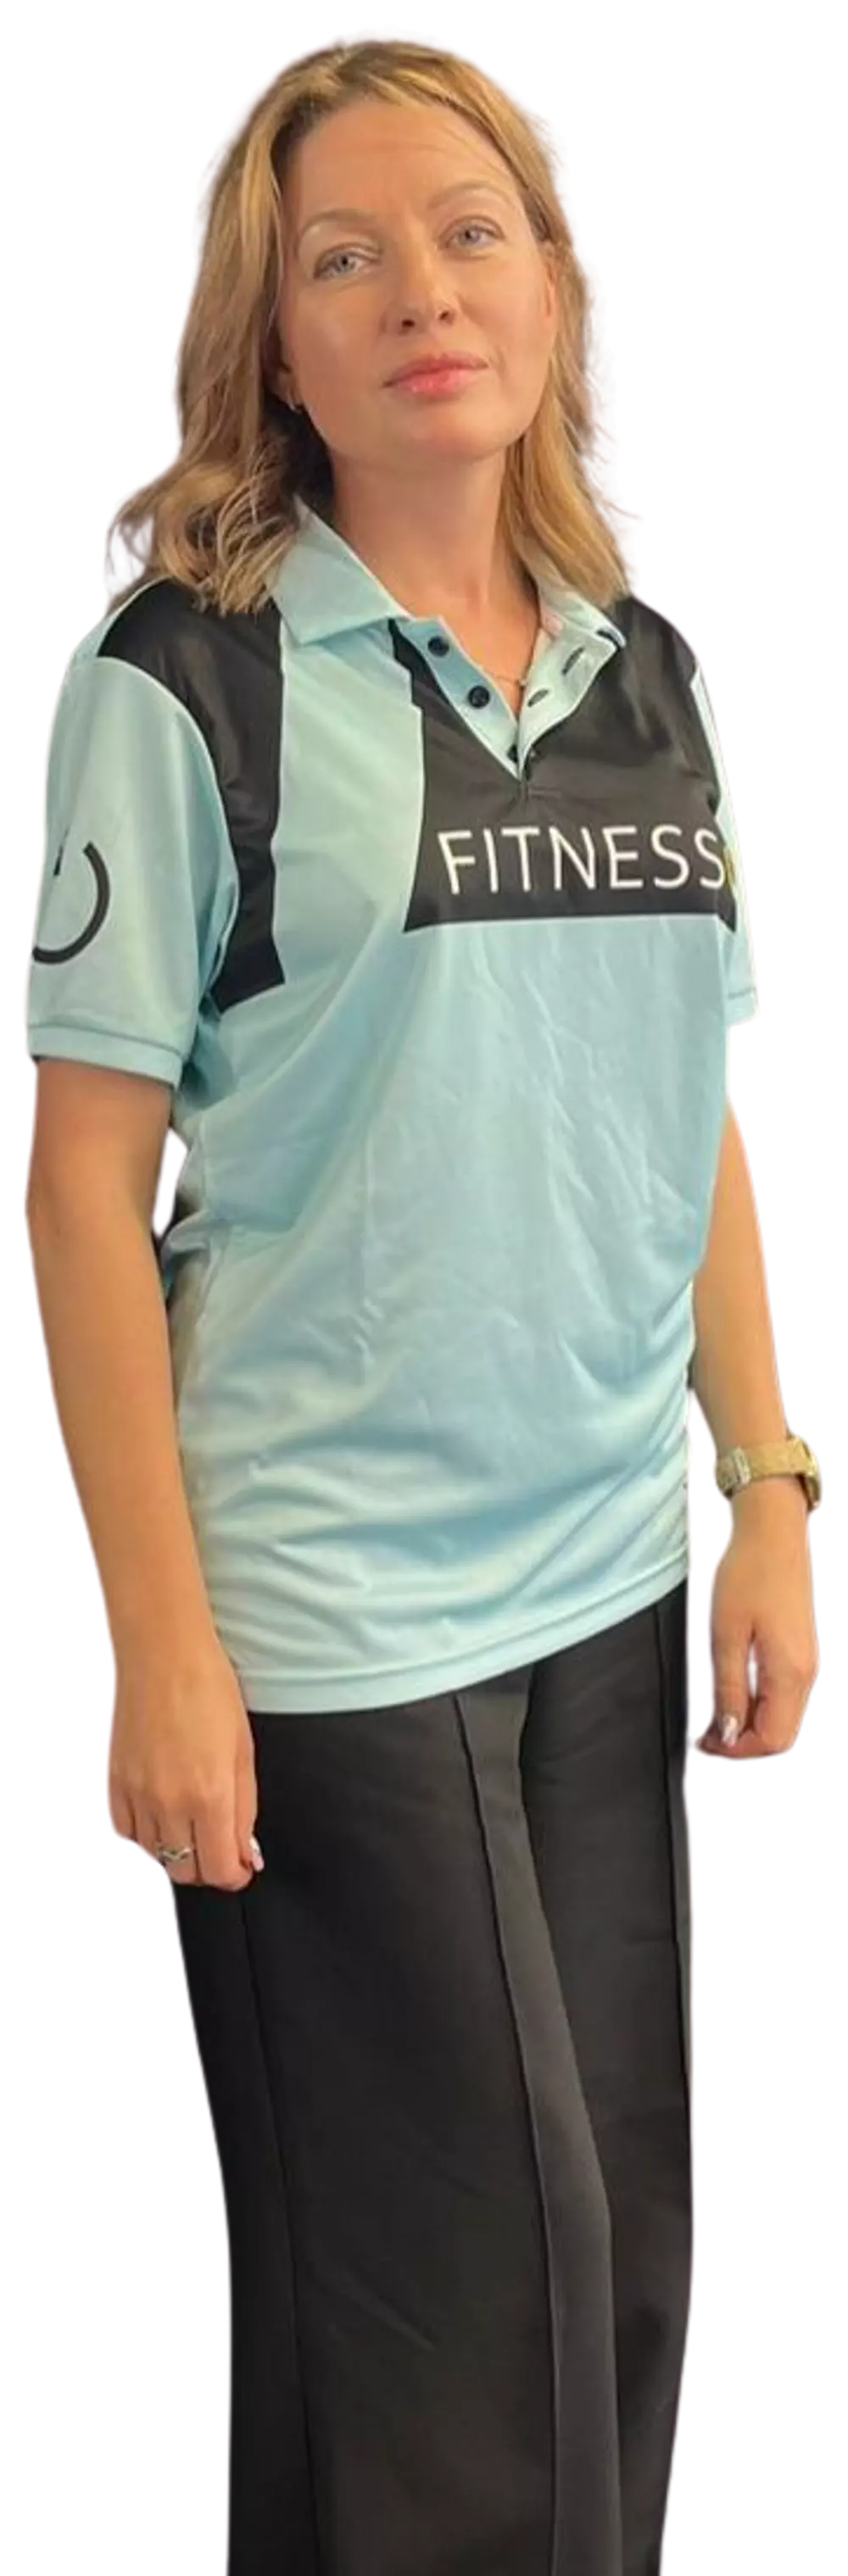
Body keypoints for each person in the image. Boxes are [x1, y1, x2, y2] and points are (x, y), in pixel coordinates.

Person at [25, 38, 760, 2576]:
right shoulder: (182, 681)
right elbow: (83, 1190)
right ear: (276, 339)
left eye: (468, 233)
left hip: (604, 1592)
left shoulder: (650, 670)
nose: (420, 295)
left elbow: (694, 1114)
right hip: (330, 1629)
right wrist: (161, 1646)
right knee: (458, 2347)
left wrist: (768, 1489)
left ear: (554, 282)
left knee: (614, 2288)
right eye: (343, 259)